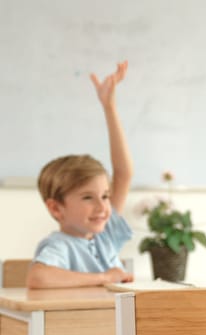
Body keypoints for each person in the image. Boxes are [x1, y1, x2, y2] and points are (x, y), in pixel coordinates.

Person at [26, 61, 135, 289]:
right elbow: (38, 278)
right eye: (87, 197)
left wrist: (109, 108)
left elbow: (123, 173)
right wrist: (104, 278)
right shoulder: (59, 246)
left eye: (105, 196)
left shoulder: (105, 236)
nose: (102, 207)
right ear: (56, 208)